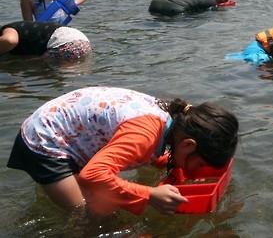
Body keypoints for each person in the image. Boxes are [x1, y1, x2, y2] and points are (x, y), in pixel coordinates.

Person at [7, 86, 238, 215]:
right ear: (188, 145)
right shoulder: (145, 134)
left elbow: (136, 146)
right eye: (195, 166)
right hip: (45, 143)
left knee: (103, 198)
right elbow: (93, 175)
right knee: (90, 213)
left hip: (62, 129)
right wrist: (150, 195)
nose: (190, 171)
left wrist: (159, 163)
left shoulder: (169, 118)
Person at [0, 21, 91, 60]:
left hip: (65, 44)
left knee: (33, 65)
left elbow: (10, 41)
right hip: (82, 41)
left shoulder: (7, 29)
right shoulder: (22, 27)